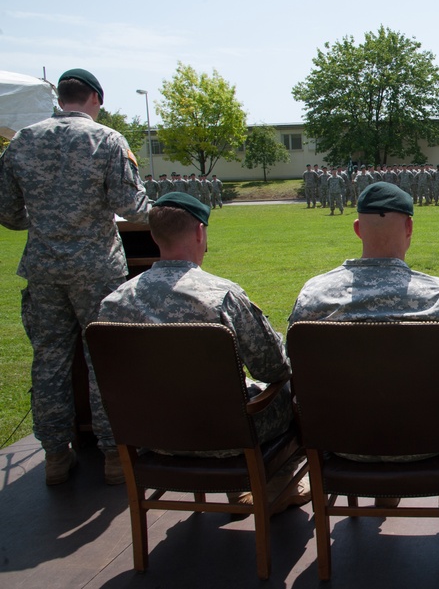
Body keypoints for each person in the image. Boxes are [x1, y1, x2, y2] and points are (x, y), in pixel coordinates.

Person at [97, 192, 308, 510]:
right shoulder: (221, 296)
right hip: (224, 437)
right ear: (199, 231)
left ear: (154, 235)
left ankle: (237, 489)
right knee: (295, 393)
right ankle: (277, 486)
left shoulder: (112, 305)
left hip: (152, 437)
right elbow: (274, 368)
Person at [0, 68, 150, 486]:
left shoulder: (23, 141)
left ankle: (55, 455)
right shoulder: (106, 139)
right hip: (96, 268)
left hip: (44, 268)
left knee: (49, 360)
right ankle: (114, 456)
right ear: (96, 99)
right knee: (103, 358)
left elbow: (8, 213)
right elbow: (133, 207)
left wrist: (48, 221)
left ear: (61, 98)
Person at [288, 182, 439, 470]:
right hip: (427, 442)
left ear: (358, 229)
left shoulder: (314, 296)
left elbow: (295, 368)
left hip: (343, 441)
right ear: (409, 228)